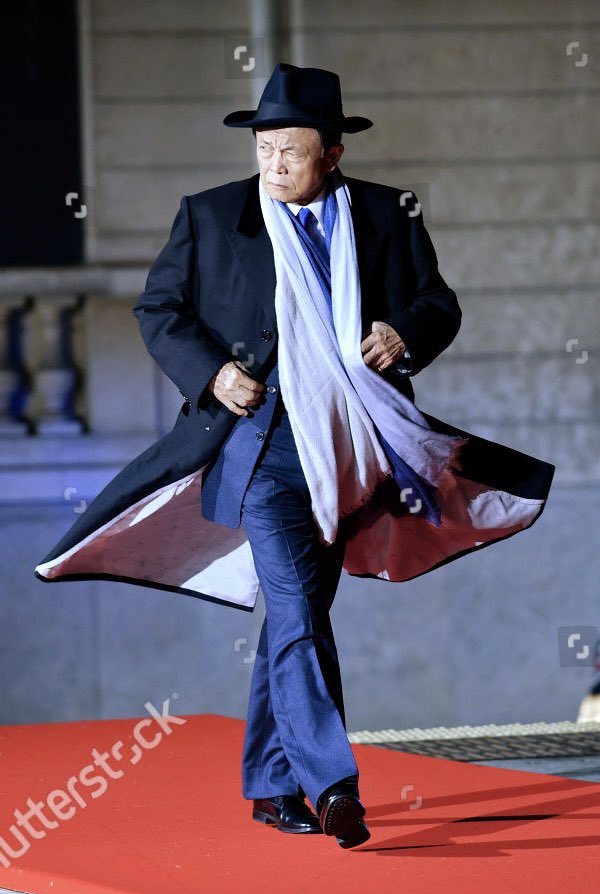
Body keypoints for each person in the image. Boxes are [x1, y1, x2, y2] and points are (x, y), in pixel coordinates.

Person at [34, 62, 555, 851]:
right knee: (300, 612)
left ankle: (272, 785)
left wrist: (403, 333)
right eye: (264, 148)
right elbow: (159, 308)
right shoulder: (212, 215)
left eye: (291, 150)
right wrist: (214, 372)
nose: (273, 164)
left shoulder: (386, 212)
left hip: (352, 446)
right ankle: (332, 784)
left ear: (333, 154)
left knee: (295, 616)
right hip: (262, 445)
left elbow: (439, 304)